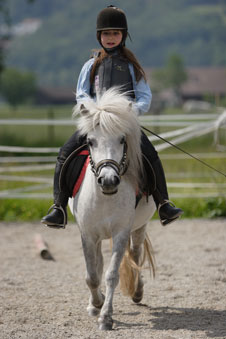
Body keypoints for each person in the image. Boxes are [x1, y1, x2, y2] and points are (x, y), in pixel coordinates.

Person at [41, 5, 183, 229]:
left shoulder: (132, 67)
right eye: (106, 33)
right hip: (97, 124)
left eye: (115, 33)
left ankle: (164, 203)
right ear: (99, 36)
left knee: (151, 155)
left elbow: (144, 96)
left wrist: (130, 114)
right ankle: (58, 207)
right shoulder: (90, 65)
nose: (110, 37)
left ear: (123, 36)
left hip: (123, 125)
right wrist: (91, 111)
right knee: (65, 153)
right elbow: (81, 94)